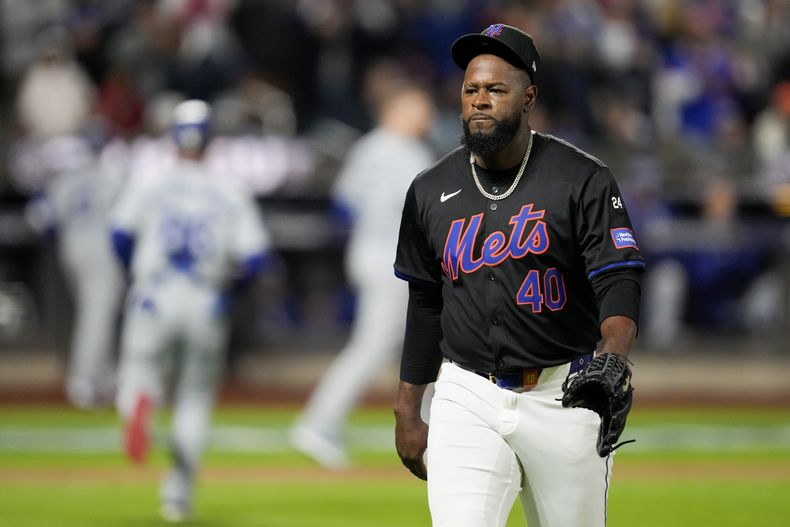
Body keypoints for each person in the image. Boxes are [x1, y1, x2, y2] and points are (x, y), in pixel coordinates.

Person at [392, 24, 645, 527]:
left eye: (495, 89)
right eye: (470, 89)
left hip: (563, 393)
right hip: (467, 393)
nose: (480, 100)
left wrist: (613, 357)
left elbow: (618, 279)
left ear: (527, 97)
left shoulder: (581, 178)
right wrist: (407, 409)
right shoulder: (429, 188)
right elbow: (425, 302)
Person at [109, 99, 271, 523]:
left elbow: (120, 235)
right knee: (195, 398)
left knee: (138, 374)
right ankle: (177, 497)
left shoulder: (149, 180)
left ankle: (137, 409)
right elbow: (254, 258)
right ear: (210, 138)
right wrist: (227, 290)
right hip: (205, 299)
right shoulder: (229, 188)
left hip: (154, 293)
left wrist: (136, 273)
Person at [290, 78, 437, 469]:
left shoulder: (367, 147)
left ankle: (441, 427)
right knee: (379, 344)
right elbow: (429, 217)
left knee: (425, 345)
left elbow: (343, 206)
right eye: (418, 106)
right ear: (396, 110)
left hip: (369, 254)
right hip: (397, 262)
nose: (427, 114)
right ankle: (318, 422)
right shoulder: (408, 152)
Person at [25, 135, 126, 408]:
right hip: (103, 250)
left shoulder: (64, 180)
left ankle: (104, 377)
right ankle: (83, 379)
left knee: (94, 311)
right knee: (97, 314)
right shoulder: (112, 178)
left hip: (72, 249)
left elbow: (38, 220)